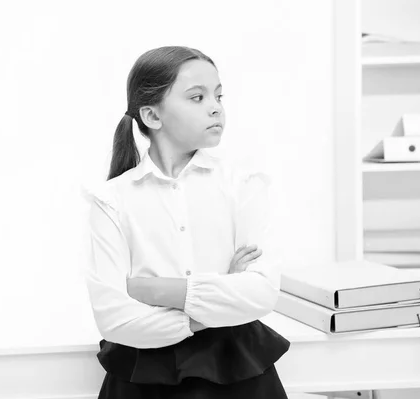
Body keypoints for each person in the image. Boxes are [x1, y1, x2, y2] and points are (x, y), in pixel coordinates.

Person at [81, 45, 290, 399]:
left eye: (219, 96)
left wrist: (159, 290)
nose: (216, 107)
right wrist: (220, 296)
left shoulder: (243, 183)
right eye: (197, 97)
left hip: (240, 376)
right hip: (142, 380)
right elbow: (115, 319)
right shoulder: (111, 201)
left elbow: (262, 292)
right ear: (152, 115)